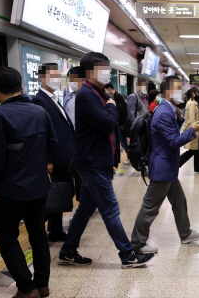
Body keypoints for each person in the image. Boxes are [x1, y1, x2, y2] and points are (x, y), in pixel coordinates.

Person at [59, 52, 153, 268]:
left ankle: (67, 250)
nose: (108, 72)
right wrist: (111, 106)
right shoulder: (87, 95)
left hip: (96, 160)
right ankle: (127, 254)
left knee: (85, 209)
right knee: (110, 209)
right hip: (92, 162)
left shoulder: (97, 93)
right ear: (91, 71)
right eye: (104, 68)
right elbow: (107, 123)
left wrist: (109, 104)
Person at [0, 67, 58, 298]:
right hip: (38, 187)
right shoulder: (40, 111)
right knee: (38, 234)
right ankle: (42, 284)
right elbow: (53, 144)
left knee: (7, 237)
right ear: (22, 86)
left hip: (11, 189)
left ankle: (26, 289)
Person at [131, 76, 199, 253]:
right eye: (178, 88)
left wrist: (180, 119)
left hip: (168, 167)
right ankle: (137, 243)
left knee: (179, 200)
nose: (182, 92)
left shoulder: (169, 109)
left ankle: (185, 233)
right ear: (167, 91)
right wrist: (191, 131)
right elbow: (173, 141)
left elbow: (169, 135)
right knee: (150, 207)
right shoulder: (164, 112)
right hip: (162, 168)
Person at [32, 63, 74, 242]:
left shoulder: (54, 99)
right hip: (54, 159)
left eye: (58, 74)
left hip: (63, 157)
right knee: (55, 193)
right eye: (53, 74)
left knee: (61, 192)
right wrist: (48, 160)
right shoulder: (40, 101)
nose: (57, 78)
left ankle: (55, 229)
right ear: (42, 77)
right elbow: (44, 134)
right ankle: (41, 229)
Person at [179, 88, 199, 173]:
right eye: (198, 93)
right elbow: (191, 118)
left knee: (196, 149)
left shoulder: (192, 103)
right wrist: (193, 131)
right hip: (194, 129)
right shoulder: (191, 104)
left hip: (195, 128)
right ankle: (177, 162)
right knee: (193, 150)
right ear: (194, 93)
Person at [104, 83, 129, 156]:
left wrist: (119, 121)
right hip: (116, 123)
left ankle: (129, 156)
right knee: (118, 141)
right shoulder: (113, 97)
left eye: (106, 90)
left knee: (123, 141)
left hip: (120, 123)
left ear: (109, 88)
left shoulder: (118, 96)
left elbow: (122, 110)